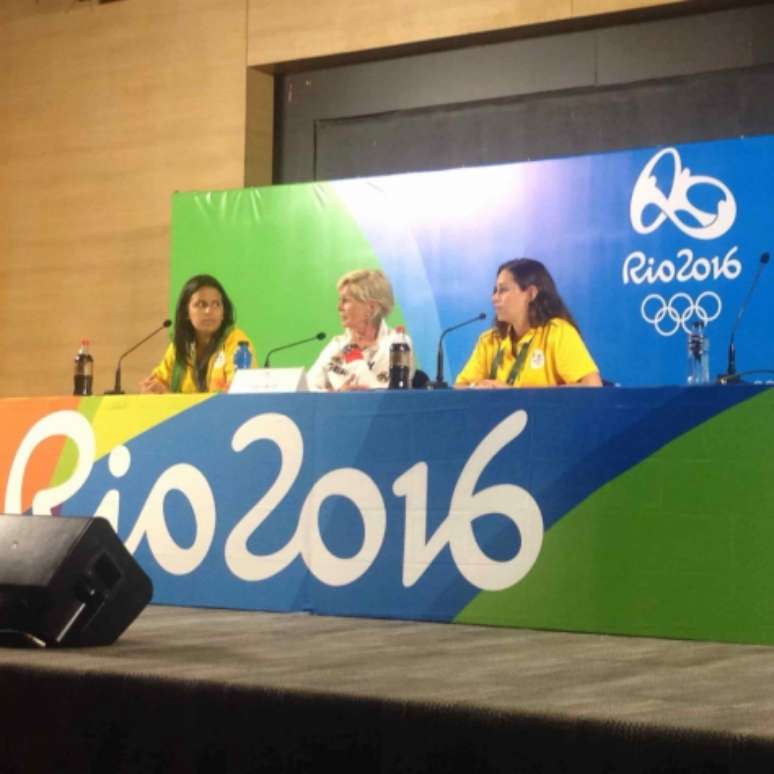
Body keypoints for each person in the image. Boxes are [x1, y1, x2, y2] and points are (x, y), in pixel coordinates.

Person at [455, 258, 602, 388]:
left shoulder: (557, 332)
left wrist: (515, 395)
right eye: (495, 290)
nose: (494, 298)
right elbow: (460, 386)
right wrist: (478, 387)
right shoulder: (489, 340)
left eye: (503, 290)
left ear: (531, 294)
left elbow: (592, 385)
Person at [140, 274, 255, 394]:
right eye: (201, 304)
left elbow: (238, 395)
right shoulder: (181, 346)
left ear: (223, 312)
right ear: (186, 312)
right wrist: (152, 388)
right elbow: (158, 382)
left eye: (216, 304)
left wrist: (168, 396)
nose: (209, 311)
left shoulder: (238, 343)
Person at [307, 268, 415, 391]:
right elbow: (307, 388)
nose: (339, 307)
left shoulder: (397, 344)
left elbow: (387, 394)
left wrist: (353, 355)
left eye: (345, 301)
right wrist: (336, 395)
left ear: (370, 308)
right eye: (340, 300)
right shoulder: (337, 344)